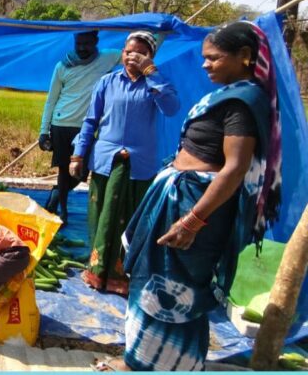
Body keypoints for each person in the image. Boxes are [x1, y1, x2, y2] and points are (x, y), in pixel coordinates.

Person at [98, 21, 281, 372]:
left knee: (173, 287)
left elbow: (234, 168)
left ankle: (158, 365)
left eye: (214, 58)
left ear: (244, 56)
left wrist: (193, 220)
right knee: (158, 279)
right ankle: (149, 360)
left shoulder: (242, 103)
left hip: (195, 206)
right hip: (181, 198)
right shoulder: (231, 95)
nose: (205, 64)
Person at [69, 31, 180, 296]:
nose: (132, 56)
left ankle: (121, 276)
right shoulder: (107, 82)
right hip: (106, 161)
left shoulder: (155, 84)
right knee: (102, 218)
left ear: (150, 57)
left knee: (130, 220)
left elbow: (171, 108)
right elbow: (90, 121)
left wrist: (151, 73)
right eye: (129, 51)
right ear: (122, 53)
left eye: (140, 53)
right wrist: (78, 155)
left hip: (139, 165)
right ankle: (96, 272)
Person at [38, 31, 121, 224]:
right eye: (79, 44)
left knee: (81, 173)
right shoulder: (63, 66)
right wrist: (43, 131)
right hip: (61, 124)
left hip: (86, 127)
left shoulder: (108, 58)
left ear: (96, 42)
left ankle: (57, 194)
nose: (82, 48)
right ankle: (62, 212)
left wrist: (160, 32)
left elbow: (138, 53)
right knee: (63, 170)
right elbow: (51, 100)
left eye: (87, 44)